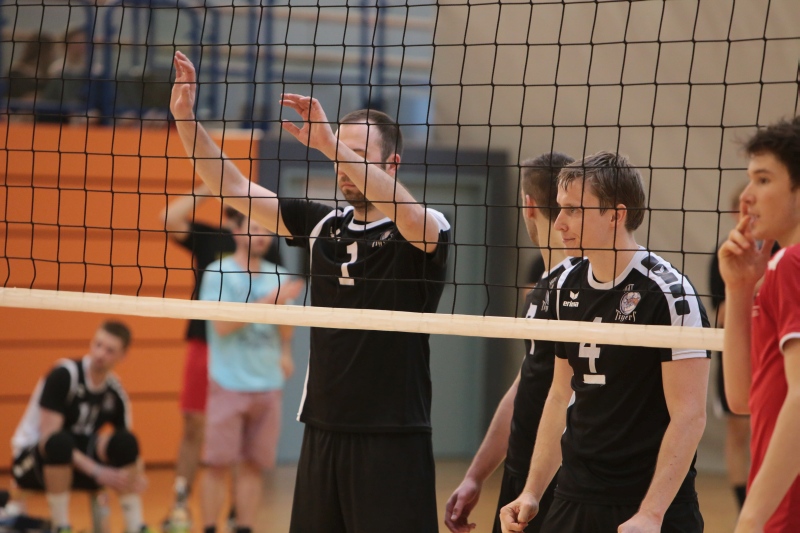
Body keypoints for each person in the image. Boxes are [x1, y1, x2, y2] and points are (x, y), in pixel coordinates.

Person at [170, 50, 450, 533]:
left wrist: (330, 145)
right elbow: (231, 186)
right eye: (342, 152)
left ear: (393, 164)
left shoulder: (423, 226)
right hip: (323, 426)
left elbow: (409, 216)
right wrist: (185, 119)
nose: (344, 164)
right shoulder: (322, 225)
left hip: (392, 432)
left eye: (358, 154)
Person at [500, 151, 710, 533]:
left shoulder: (667, 293)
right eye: (559, 208)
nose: (559, 223)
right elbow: (559, 395)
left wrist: (651, 513)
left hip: (647, 502)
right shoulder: (564, 285)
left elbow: (690, 415)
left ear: (615, 215)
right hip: (575, 494)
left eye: (573, 210)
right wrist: (532, 491)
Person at [444, 151, 578, 533]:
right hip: (522, 475)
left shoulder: (584, 288)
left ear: (528, 205)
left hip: (565, 480)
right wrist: (476, 475)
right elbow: (526, 383)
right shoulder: (543, 287)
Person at [159, 184, 282, 531]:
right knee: (194, 425)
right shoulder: (210, 238)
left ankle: (236, 512)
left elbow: (282, 303)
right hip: (206, 342)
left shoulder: (269, 247)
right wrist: (210, 185)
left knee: (242, 438)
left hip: (249, 352)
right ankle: (180, 504)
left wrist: (283, 352)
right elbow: (168, 219)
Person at [718, 116, 800, 533]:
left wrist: (751, 518)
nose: (747, 196)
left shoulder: (791, 263)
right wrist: (739, 289)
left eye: (763, 180)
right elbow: (743, 398)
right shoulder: (776, 269)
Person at [198, 210, 302, 533]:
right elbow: (222, 326)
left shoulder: (279, 274)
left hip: (268, 382)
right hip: (228, 381)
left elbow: (285, 328)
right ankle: (210, 527)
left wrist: (286, 351)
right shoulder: (218, 272)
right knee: (216, 465)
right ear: (237, 232)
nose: (261, 235)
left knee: (254, 466)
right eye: (254, 228)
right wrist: (270, 301)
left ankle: (244, 527)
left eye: (265, 229)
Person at [10, 321, 152, 533]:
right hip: (31, 463)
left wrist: (137, 475)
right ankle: (61, 526)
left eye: (110, 350)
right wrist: (97, 471)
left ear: (123, 356)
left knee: (125, 443)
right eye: (98, 345)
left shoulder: (115, 391)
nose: (100, 354)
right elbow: (49, 437)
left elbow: (128, 446)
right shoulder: (64, 375)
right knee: (59, 442)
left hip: (79, 466)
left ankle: (136, 526)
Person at [709, 184, 755, 510]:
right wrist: (748, 286)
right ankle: (744, 507)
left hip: (776, 353)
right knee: (739, 430)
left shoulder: (783, 250)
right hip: (736, 354)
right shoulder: (724, 253)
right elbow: (722, 314)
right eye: (743, 210)